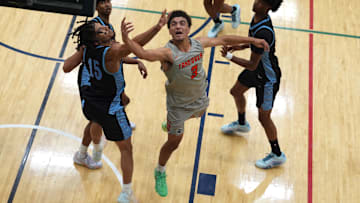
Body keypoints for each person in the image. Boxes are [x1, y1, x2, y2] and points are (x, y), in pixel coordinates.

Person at [120, 10, 269, 197]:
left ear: (189, 28)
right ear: (170, 31)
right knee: (174, 143)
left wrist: (253, 41)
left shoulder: (198, 43)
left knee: (200, 114)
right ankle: (160, 171)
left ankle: (171, 124)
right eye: (173, 24)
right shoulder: (168, 52)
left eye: (182, 23)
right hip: (178, 107)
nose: (178, 26)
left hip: (199, 100)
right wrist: (127, 40)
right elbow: (143, 53)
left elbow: (224, 40)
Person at [63, 10, 167, 203]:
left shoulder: (87, 49)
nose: (104, 27)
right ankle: (126, 192)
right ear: (97, 41)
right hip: (110, 107)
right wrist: (157, 27)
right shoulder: (110, 53)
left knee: (95, 120)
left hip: (91, 98)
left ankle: (90, 152)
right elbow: (136, 45)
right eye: (100, 31)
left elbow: (68, 66)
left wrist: (132, 58)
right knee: (126, 148)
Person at [63, 0, 148, 170]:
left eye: (108, 1)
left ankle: (110, 126)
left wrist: (134, 61)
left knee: (120, 102)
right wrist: (82, 51)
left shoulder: (106, 28)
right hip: (92, 82)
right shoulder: (94, 30)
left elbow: (116, 54)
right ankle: (93, 151)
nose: (107, 5)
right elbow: (68, 66)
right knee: (97, 119)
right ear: (95, 6)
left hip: (105, 79)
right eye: (102, 2)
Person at [220, 0, 286, 169]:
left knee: (264, 117)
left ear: (268, 7)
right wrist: (240, 46)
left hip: (267, 78)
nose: (256, 2)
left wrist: (229, 57)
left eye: (261, 2)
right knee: (236, 91)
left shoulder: (264, 31)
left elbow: (251, 65)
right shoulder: (258, 18)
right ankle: (242, 123)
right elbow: (253, 43)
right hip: (257, 70)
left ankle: (277, 154)